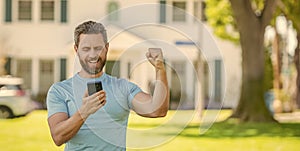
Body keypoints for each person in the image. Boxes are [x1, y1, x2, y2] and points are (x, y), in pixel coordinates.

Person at [46, 20, 169, 151]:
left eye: (98, 48)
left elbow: (157, 110)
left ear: (107, 48)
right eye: (86, 49)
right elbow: (58, 137)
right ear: (76, 50)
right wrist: (84, 112)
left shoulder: (122, 87)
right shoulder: (60, 90)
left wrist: (160, 69)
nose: (93, 54)